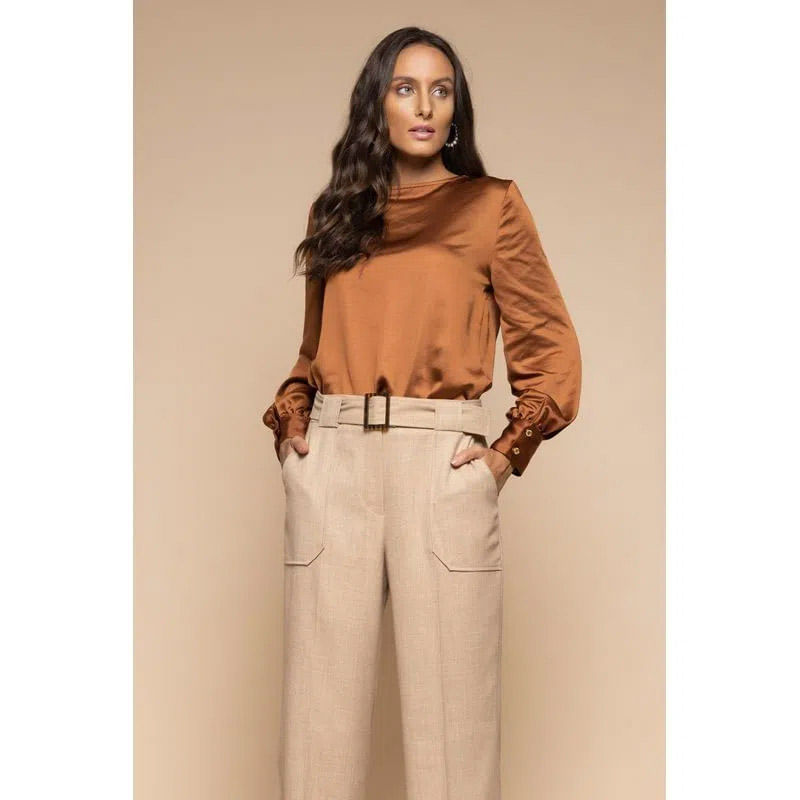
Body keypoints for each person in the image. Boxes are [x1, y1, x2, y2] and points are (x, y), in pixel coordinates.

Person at [262, 26, 582, 800]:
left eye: (442, 90)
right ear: (377, 104)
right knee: (316, 735)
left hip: (440, 466)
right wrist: (293, 424)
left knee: (454, 735)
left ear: (457, 109)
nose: (426, 106)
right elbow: (312, 351)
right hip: (334, 461)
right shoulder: (336, 213)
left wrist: (506, 452)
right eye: (406, 88)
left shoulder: (491, 206)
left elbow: (551, 349)